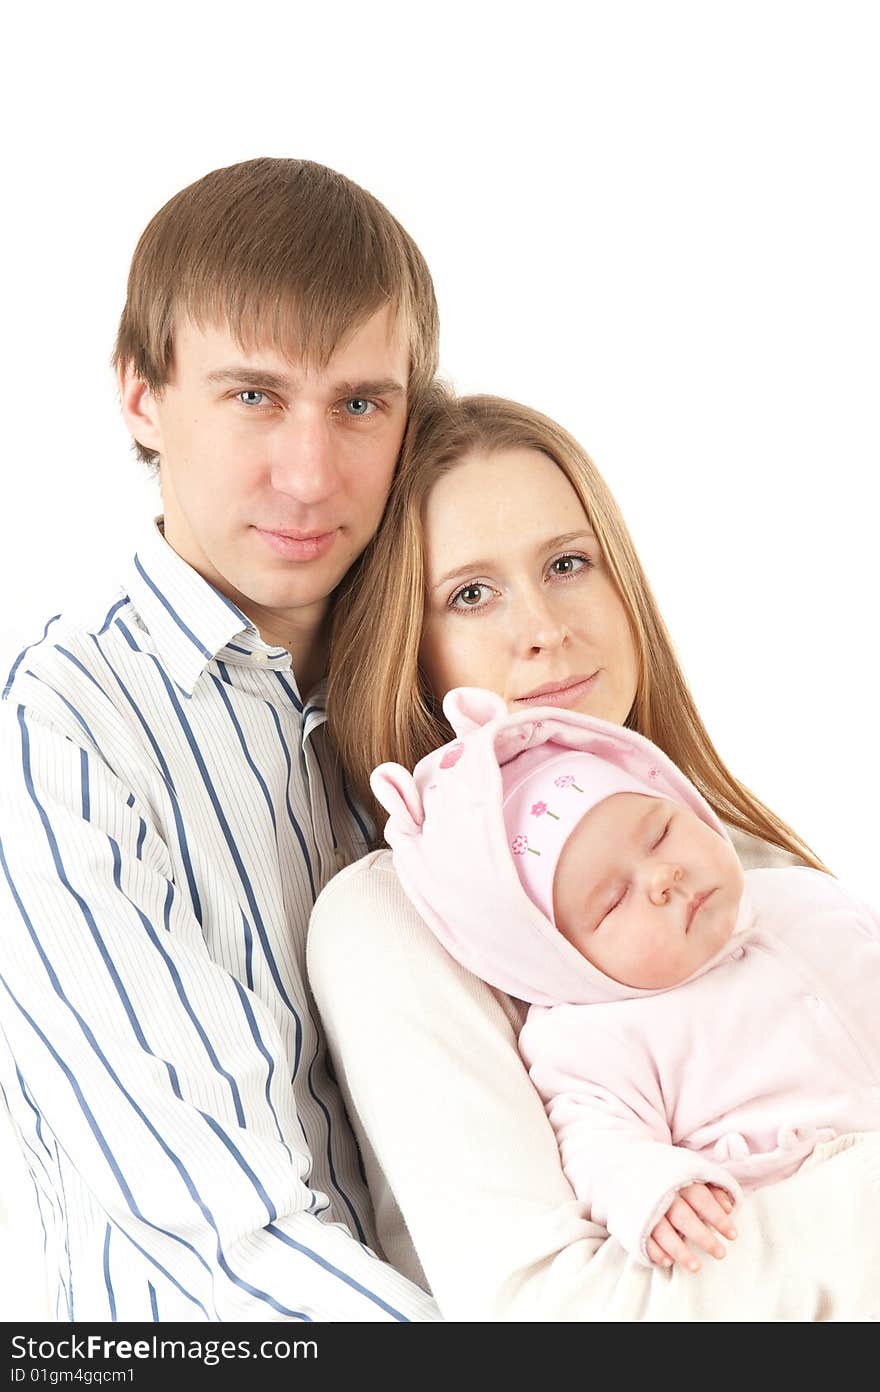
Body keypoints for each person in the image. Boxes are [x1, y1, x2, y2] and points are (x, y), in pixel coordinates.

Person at [309, 389, 880, 1321]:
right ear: (408, 651)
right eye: (470, 593)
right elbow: (549, 1313)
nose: (544, 627)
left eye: (569, 563)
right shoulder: (390, 924)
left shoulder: (741, 869)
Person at [0, 156, 442, 1322]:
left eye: (359, 404)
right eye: (252, 395)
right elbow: (220, 1232)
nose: (308, 475)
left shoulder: (453, 687)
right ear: (141, 395)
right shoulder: (55, 737)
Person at [368, 684, 880, 1276]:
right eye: (612, 901)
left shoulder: (806, 896)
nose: (663, 875)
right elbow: (596, 1142)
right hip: (810, 1239)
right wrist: (656, 1189)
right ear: (560, 960)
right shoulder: (592, 1035)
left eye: (661, 831)